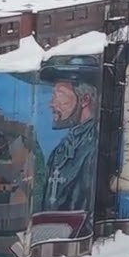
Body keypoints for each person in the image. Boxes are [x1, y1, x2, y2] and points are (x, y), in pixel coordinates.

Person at [40, 78, 98, 213]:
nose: (51, 104)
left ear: (84, 100)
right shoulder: (62, 149)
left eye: (59, 95)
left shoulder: (95, 145)